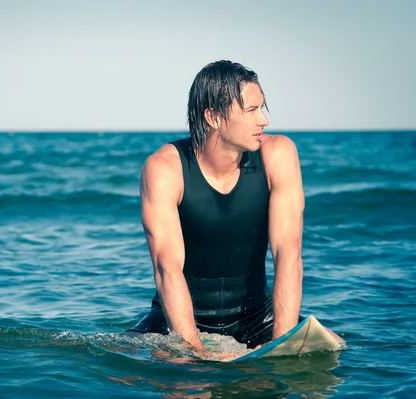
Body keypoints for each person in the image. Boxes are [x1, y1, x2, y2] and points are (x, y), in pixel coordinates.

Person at [126, 60, 308, 358]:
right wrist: (196, 353)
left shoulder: (279, 154)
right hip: (180, 320)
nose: (264, 120)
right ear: (213, 117)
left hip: (257, 318)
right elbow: (166, 267)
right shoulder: (165, 169)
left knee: (332, 357)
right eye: (251, 111)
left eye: (262, 108)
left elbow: (289, 253)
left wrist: (281, 345)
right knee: (127, 371)